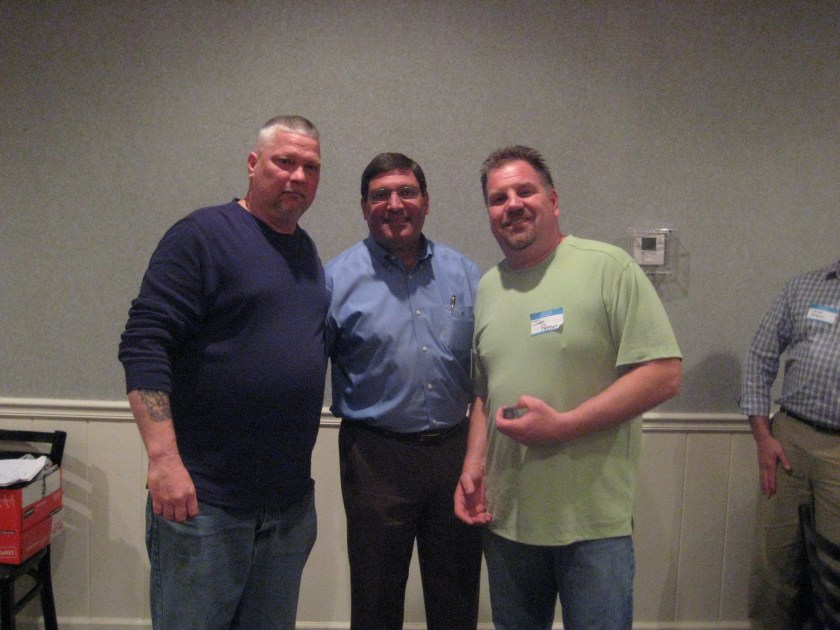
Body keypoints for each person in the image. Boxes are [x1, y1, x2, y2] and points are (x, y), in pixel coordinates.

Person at [455, 145, 682, 630]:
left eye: (525, 191)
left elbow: (664, 372)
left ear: (553, 201)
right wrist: (473, 467)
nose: (512, 205)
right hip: (508, 520)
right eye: (498, 198)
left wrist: (565, 426)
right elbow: (484, 393)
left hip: (592, 526)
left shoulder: (608, 267)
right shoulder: (488, 287)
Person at [118, 115, 326, 630]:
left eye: (311, 167)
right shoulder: (202, 236)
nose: (298, 176)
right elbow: (144, 343)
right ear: (253, 164)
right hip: (205, 506)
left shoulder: (305, 251)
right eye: (284, 161)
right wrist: (164, 461)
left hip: (287, 508)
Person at [326, 152, 483, 629]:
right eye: (381, 195)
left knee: (456, 598)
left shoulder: (465, 274)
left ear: (426, 201)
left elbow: (487, 369)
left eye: (406, 192)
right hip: (375, 458)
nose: (394, 204)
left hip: (455, 454)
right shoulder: (334, 280)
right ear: (364, 207)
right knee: (375, 598)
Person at [740, 260, 840, 629]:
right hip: (788, 441)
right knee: (774, 564)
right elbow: (759, 357)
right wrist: (762, 436)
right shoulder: (802, 287)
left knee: (834, 572)